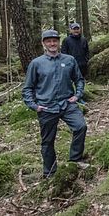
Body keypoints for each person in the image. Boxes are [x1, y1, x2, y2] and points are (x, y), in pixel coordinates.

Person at [23, 29, 88, 177]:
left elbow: (79, 79)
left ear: (59, 42)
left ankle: (75, 160)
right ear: (44, 43)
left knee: (81, 127)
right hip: (46, 107)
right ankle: (50, 172)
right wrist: (34, 106)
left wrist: (77, 95)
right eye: (48, 41)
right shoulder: (36, 63)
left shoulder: (69, 60)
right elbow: (27, 88)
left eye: (55, 41)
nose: (52, 43)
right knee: (47, 141)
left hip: (67, 104)